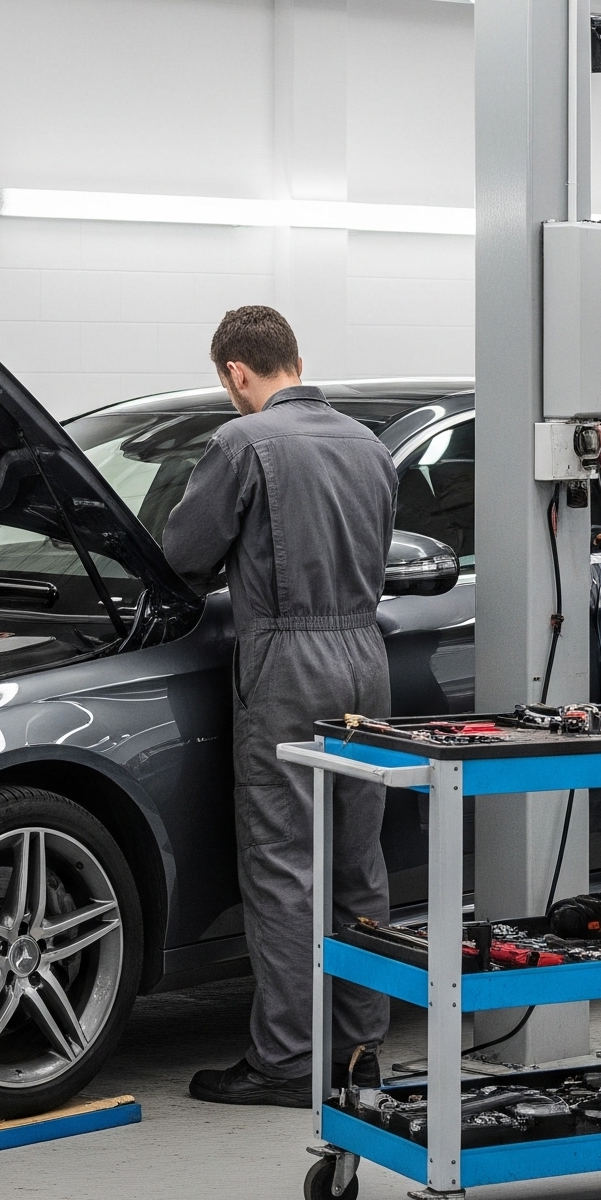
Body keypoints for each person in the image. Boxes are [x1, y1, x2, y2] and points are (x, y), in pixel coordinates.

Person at [162, 306, 399, 1107]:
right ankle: (363, 1049)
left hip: (288, 663)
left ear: (236, 372)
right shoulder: (369, 444)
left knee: (284, 865)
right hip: (367, 659)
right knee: (357, 862)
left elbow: (183, 557)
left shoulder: (243, 442)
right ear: (294, 357)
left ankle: (289, 1059)